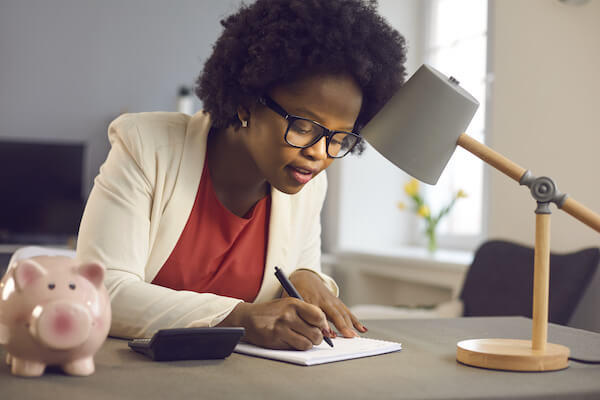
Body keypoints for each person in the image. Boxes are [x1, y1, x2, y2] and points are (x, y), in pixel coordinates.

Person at [76, 0, 407, 350]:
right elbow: (103, 289)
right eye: (305, 126)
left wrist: (307, 277)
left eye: (338, 138)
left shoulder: (308, 183)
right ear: (246, 102)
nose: (319, 153)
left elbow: (298, 268)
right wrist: (239, 318)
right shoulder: (147, 146)